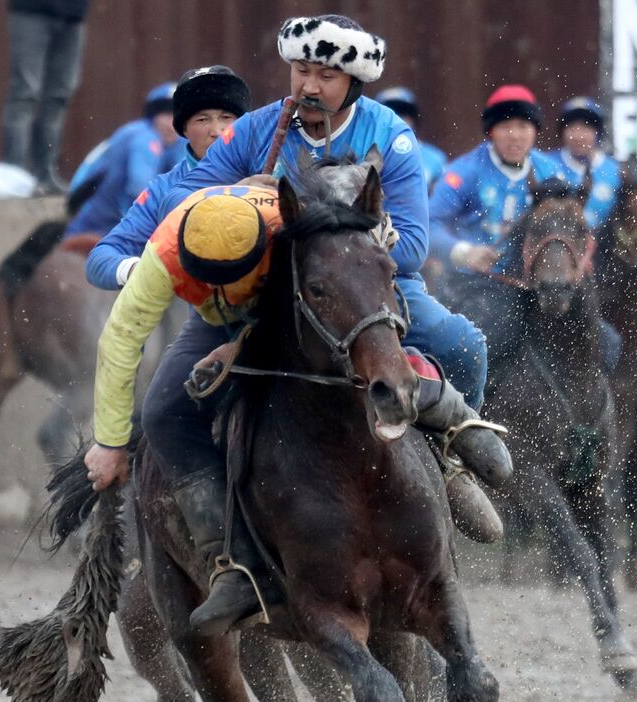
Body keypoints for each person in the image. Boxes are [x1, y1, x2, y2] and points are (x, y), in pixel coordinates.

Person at [83, 187, 507, 640]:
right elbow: (119, 342)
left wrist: (246, 336)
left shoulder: (285, 230)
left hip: (313, 303)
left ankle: (453, 428)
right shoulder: (161, 260)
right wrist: (109, 442)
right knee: (161, 413)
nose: (231, 289)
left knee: (407, 343)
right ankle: (231, 564)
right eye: (216, 281)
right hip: (215, 322)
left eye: (240, 276)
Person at [174, 14, 488, 412]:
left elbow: (411, 250)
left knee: (464, 346)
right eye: (301, 71)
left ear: (354, 83)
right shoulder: (255, 129)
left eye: (326, 77)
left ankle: (458, 446)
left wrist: (342, 236)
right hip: (268, 289)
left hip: (371, 287)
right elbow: (182, 196)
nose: (308, 86)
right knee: (165, 409)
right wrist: (234, 194)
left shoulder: (392, 136)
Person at [86, 65, 251, 291]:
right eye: (202, 120)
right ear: (183, 130)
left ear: (246, 124)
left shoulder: (270, 167)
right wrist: (140, 270)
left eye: (227, 117)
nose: (217, 130)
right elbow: (100, 259)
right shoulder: (163, 188)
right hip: (210, 316)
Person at [428, 84, 567, 347]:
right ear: (491, 131)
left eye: (523, 126)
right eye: (505, 127)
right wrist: (463, 251)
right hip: (473, 285)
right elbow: (429, 224)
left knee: (605, 341)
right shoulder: (463, 172)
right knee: (502, 326)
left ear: (535, 131)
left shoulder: (551, 172)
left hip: (535, 285)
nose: (515, 136)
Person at [64, 83, 179, 241]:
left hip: (90, 229)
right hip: (99, 236)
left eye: (179, 116)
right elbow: (140, 191)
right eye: (166, 114)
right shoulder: (145, 138)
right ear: (153, 115)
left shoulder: (135, 132)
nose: (172, 123)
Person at [1, 0, 90, 194]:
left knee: (59, 96)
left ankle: (46, 172)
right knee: (25, 93)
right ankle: (15, 174)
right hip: (31, 11)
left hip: (73, 15)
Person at [553, 96, 622, 229]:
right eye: (572, 128)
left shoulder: (614, 171)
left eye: (585, 128)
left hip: (603, 245)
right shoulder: (549, 165)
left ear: (598, 132)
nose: (578, 136)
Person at [377, 86, 449, 193]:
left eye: (403, 112)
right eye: (389, 113)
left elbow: (443, 202)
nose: (397, 118)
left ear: (414, 118)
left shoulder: (435, 159)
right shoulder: (364, 155)